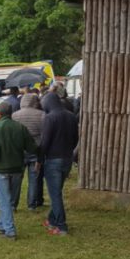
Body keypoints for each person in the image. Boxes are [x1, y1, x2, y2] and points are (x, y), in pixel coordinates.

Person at [0, 101, 36, 240]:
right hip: (17, 169)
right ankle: (1, 224)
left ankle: (10, 231)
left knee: (4, 201)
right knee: (10, 200)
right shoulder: (20, 128)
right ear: (11, 113)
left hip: (1, 169)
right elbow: (31, 147)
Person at [40, 93, 79, 235]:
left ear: (48, 103)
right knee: (56, 192)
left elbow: (44, 142)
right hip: (67, 158)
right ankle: (51, 220)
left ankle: (61, 226)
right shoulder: (71, 116)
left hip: (53, 160)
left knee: (55, 194)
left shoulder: (49, 118)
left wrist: (40, 159)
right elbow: (76, 139)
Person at [12, 92, 45, 211]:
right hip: (35, 150)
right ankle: (32, 204)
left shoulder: (15, 115)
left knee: (16, 179)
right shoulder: (42, 115)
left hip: (19, 151)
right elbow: (44, 135)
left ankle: (13, 204)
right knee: (34, 178)